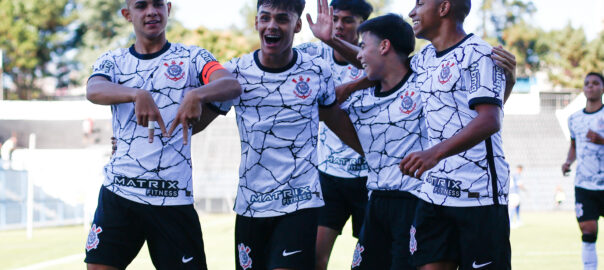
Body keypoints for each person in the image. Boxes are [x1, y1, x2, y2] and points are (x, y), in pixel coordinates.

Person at [84, 0, 242, 269]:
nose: (151, 11)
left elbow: (231, 84)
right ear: (127, 14)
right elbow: (93, 89)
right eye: (141, 6)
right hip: (120, 193)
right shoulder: (113, 60)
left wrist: (196, 94)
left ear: (169, 8)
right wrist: (137, 94)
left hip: (172, 196)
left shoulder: (193, 58)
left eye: (158, 4)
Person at [206, 1, 362, 269]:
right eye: (265, 18)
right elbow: (197, 122)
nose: (272, 26)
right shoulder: (235, 73)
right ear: (256, 23)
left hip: (299, 201)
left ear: (297, 25)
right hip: (251, 204)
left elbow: (336, 119)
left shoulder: (316, 71)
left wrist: (376, 155)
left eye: (282, 19)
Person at [399, 0, 512, 269]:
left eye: (420, 3)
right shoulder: (424, 58)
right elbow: (383, 62)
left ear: (444, 8)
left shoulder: (480, 53)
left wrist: (434, 154)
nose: (412, 12)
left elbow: (489, 120)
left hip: (478, 196)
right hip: (433, 194)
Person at [325, 14, 426, 269]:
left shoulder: (424, 84)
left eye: (362, 46)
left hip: (415, 202)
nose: (358, 55)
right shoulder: (361, 98)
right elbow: (325, 107)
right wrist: (354, 84)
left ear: (384, 46)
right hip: (376, 201)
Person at [297, 1, 373, 268]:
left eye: (348, 20)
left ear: (362, 25)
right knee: (314, 256)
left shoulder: (375, 58)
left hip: (370, 176)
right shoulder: (311, 53)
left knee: (368, 260)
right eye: (336, 19)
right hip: (328, 175)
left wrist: (352, 86)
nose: (339, 25)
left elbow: (387, 70)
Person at [562, 72, 604, 270]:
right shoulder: (574, 119)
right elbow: (574, 145)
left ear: (602, 88)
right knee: (588, 231)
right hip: (584, 184)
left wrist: (601, 140)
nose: (590, 86)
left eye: (596, 83)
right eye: (587, 83)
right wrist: (568, 162)